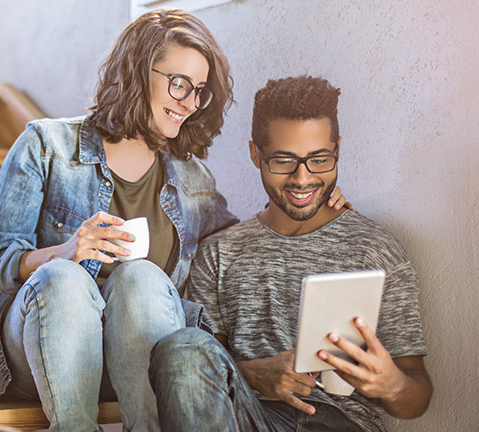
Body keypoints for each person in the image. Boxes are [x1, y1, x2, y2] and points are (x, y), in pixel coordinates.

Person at [0, 10, 349, 431]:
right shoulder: (46, 144)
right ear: (136, 71)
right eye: (179, 84)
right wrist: (63, 252)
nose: (188, 103)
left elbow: (237, 245)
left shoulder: (190, 176)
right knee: (65, 278)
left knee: (143, 278)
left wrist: (312, 201)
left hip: (133, 360)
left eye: (199, 91)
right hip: (42, 352)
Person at [149, 75, 433, 432]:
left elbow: (417, 397)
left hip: (341, 423)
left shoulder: (373, 249)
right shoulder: (220, 254)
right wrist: (252, 374)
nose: (302, 179)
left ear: (338, 150)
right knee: (181, 347)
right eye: (283, 161)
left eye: (319, 159)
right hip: (252, 417)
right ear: (256, 154)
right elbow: (203, 370)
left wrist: (393, 384)